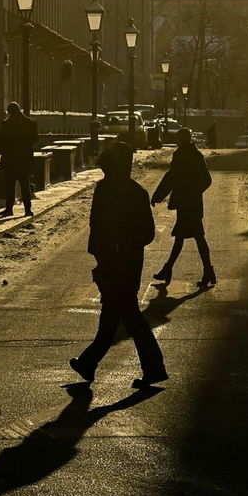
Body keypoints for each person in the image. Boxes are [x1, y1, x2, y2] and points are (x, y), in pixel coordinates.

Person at [70, 142, 167, 388]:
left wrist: (110, 248)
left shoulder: (105, 190)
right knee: (113, 317)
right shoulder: (137, 192)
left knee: (127, 317)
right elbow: (147, 233)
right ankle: (89, 363)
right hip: (126, 263)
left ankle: (153, 367)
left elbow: (97, 226)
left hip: (115, 264)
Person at [150, 127, 215, 288]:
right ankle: (205, 271)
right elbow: (206, 180)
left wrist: (158, 195)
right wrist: (195, 192)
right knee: (192, 237)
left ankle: (170, 269)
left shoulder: (181, 155)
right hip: (191, 204)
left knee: (188, 237)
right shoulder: (195, 154)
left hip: (186, 204)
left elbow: (171, 177)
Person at [0, 101, 38, 217]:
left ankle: (9, 209)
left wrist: (6, 151)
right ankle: (28, 209)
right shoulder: (30, 123)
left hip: (10, 159)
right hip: (25, 159)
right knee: (25, 185)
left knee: (10, 185)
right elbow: (34, 139)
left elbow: (0, 141)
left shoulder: (6, 124)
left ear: (9, 112)